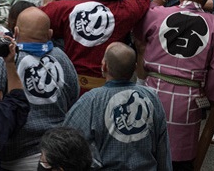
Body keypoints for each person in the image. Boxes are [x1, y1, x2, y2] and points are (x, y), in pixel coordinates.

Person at [134, 0, 214, 170]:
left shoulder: (157, 14)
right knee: (178, 161)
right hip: (187, 102)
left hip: (151, 94)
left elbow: (139, 23)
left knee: (144, 153)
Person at [0, 8, 79, 168]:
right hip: (55, 151)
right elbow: (73, 98)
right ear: (49, 34)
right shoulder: (62, 59)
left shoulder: (3, 64)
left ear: (16, 31)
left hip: (14, 153)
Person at [63, 42, 171, 170]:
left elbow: (68, 143)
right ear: (135, 68)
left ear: (104, 66)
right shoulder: (151, 97)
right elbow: (162, 147)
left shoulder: (90, 100)